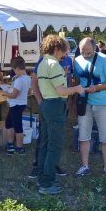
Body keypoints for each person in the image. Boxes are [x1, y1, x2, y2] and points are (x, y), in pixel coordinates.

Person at [35, 35, 84, 195]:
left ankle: (42, 177)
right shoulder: (54, 64)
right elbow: (61, 91)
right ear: (56, 49)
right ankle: (47, 184)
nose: (64, 56)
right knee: (54, 146)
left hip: (46, 104)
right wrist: (77, 89)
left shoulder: (42, 63)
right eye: (63, 52)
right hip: (55, 105)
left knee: (45, 143)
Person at [73, 38, 106, 176]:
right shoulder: (77, 60)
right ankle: (85, 166)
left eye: (89, 52)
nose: (85, 55)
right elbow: (77, 80)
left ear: (95, 48)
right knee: (83, 136)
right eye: (82, 52)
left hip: (103, 103)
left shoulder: (104, 60)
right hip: (84, 102)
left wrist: (97, 88)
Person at [1, 57, 31, 155]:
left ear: (17, 68)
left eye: (14, 70)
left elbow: (14, 95)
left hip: (16, 105)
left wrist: (5, 93)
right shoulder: (27, 78)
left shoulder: (19, 80)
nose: (14, 72)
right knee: (9, 123)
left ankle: (19, 148)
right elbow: (29, 92)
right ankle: (10, 143)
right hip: (20, 104)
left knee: (18, 126)